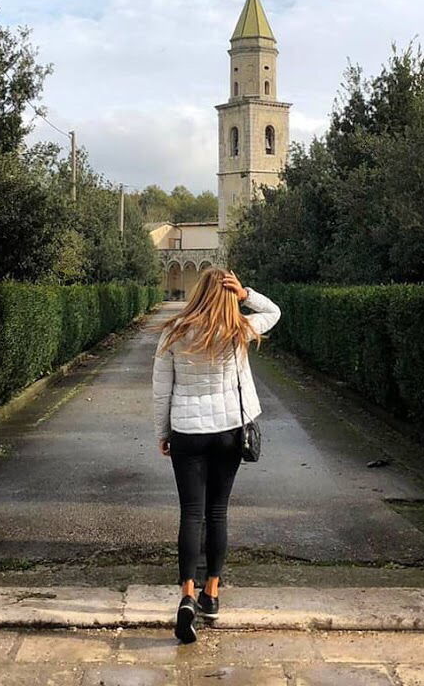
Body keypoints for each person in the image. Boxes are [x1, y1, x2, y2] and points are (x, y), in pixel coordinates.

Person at [151, 267, 281, 643]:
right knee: (217, 511)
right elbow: (274, 312)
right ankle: (212, 592)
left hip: (187, 433)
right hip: (228, 433)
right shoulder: (237, 329)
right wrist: (244, 295)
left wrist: (163, 433)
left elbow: (162, 390)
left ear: (198, 293)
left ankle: (186, 595)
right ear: (226, 294)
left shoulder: (174, 332)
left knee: (191, 513)